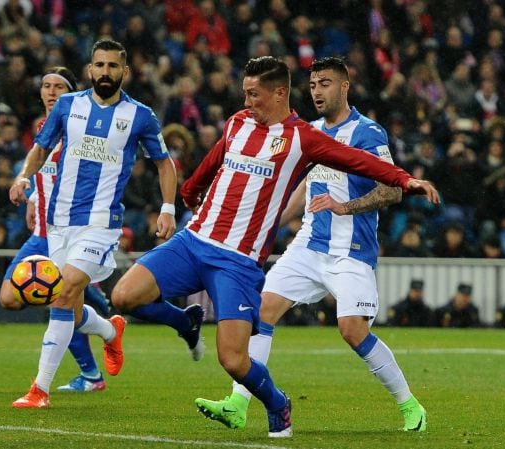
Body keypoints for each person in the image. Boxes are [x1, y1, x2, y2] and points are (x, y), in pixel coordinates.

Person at [111, 56, 438, 438]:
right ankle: (237, 401)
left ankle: (409, 404)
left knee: (351, 330)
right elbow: (290, 189)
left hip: (349, 249)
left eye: (326, 84)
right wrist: (218, 203)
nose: (317, 91)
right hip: (303, 244)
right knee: (259, 310)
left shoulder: (354, 132)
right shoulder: (250, 125)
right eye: (313, 84)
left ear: (343, 86)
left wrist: (400, 182)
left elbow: (374, 175)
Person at [6, 40, 187, 409]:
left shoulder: (140, 115)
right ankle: (109, 329)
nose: (105, 72)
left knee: (64, 290)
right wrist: (24, 176)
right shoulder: (69, 107)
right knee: (66, 303)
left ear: (125, 71)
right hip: (59, 222)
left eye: (113, 66)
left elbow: (164, 164)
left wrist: (168, 207)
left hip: (101, 224)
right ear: (90, 69)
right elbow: (41, 148)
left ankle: (39, 390)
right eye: (99, 65)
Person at [0, 66, 111, 393]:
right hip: (41, 235)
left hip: (68, 232)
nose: (50, 92)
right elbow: (41, 173)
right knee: (9, 298)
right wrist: (32, 197)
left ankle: (90, 375)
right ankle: (94, 311)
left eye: (58, 87)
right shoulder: (43, 128)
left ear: (72, 94)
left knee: (57, 300)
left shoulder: (82, 131)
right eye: (46, 86)